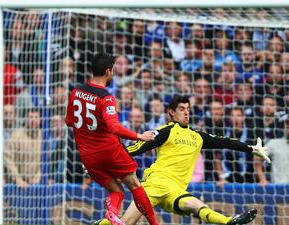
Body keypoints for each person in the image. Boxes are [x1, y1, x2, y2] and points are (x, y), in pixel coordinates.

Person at [106, 96, 271, 225]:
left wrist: (251, 149)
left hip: (176, 189)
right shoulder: (165, 131)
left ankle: (228, 221)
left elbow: (225, 142)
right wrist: (107, 160)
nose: (186, 112)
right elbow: (138, 147)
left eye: (188, 109)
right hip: (155, 184)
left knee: (196, 205)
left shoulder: (197, 136)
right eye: (181, 109)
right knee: (126, 223)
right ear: (171, 112)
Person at [65, 53, 159, 225]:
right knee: (135, 185)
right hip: (110, 150)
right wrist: (140, 136)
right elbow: (114, 127)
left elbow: (69, 121)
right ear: (108, 72)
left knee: (117, 192)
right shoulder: (106, 98)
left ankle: (112, 212)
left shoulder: (75, 92)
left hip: (88, 157)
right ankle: (155, 224)